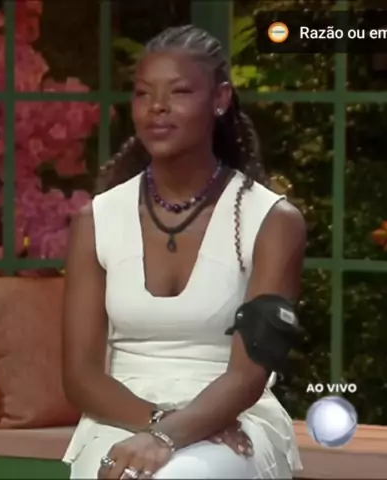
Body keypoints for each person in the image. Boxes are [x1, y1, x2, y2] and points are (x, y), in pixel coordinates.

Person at [60, 25, 306, 479]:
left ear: (220, 99)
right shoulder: (96, 220)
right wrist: (160, 426)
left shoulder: (273, 221)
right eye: (143, 93)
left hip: (231, 420)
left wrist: (174, 434)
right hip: (121, 416)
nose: (157, 106)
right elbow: (80, 375)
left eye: (179, 92)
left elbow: (249, 373)